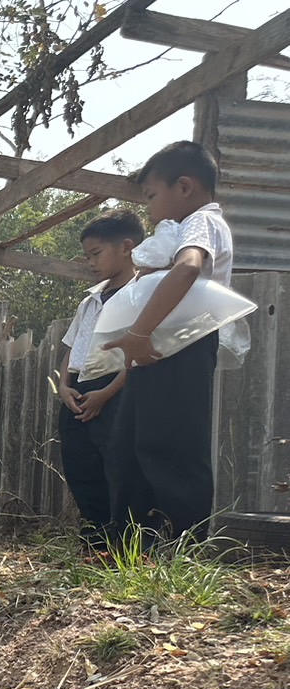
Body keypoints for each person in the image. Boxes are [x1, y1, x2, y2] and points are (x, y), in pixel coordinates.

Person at [103, 141, 233, 542]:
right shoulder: (181, 227)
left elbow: (188, 268)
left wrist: (139, 331)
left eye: (152, 196)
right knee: (129, 448)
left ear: (185, 187)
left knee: (172, 449)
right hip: (158, 351)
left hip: (182, 348)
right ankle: (130, 546)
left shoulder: (202, 221)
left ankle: (183, 547)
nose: (150, 208)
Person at [57, 209, 144, 549]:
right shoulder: (89, 300)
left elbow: (140, 355)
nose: (91, 263)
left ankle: (128, 542)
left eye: (97, 254)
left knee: (120, 466)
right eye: (87, 256)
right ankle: (95, 539)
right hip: (78, 389)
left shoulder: (142, 294)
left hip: (117, 388)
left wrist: (107, 394)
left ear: (126, 247)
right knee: (80, 466)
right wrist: (64, 386)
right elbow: (71, 346)